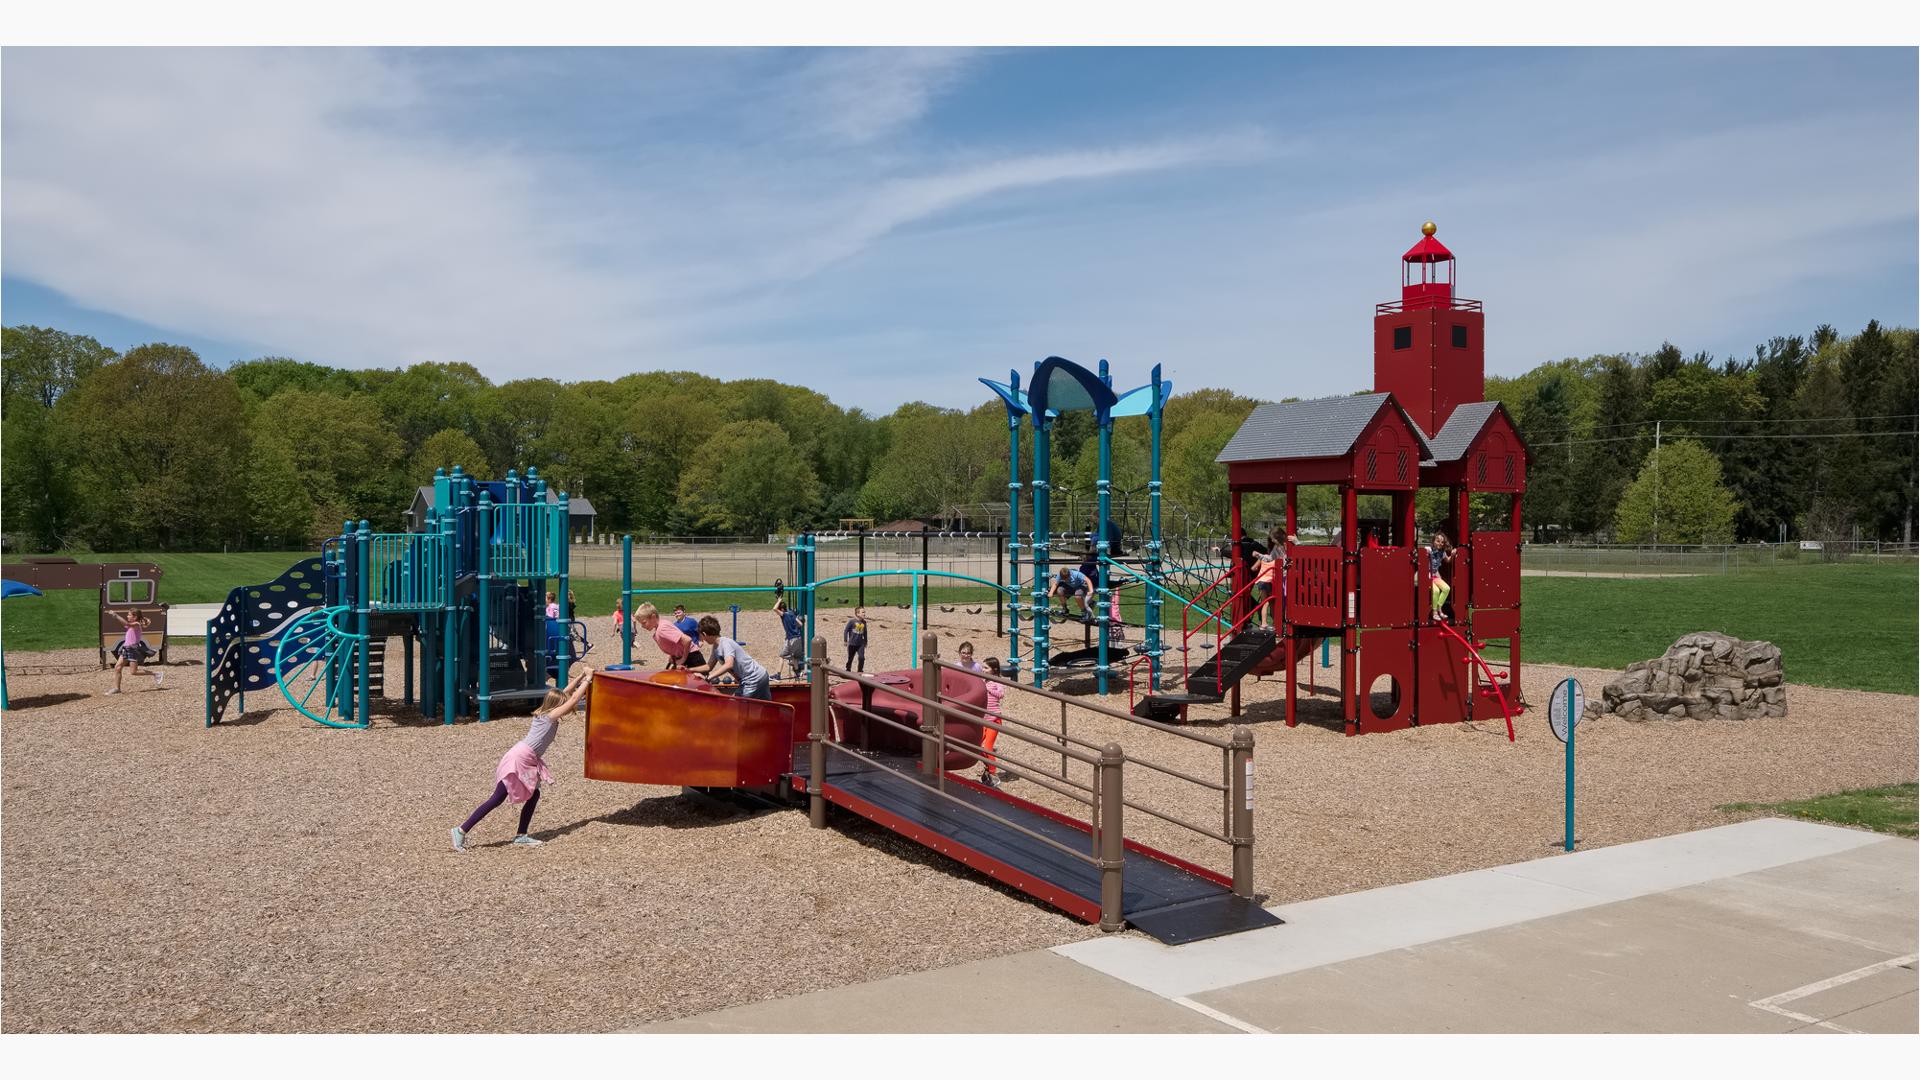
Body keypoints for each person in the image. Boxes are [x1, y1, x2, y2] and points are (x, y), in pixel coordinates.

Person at [452, 664, 593, 851]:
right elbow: (573, 698)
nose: (564, 704)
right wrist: (588, 680)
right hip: (520, 759)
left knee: (534, 794)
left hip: (524, 756)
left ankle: (521, 835)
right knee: (498, 797)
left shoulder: (545, 711)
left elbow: (565, 693)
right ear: (557, 706)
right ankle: (461, 830)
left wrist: (581, 675)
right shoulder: (550, 716)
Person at [690, 615, 771, 700]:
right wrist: (689, 669)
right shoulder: (716, 646)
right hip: (759, 675)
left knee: (734, 705)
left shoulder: (725, 643)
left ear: (704, 634)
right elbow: (708, 666)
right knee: (766, 707)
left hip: (753, 679)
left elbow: (729, 664)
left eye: (701, 636)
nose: (702, 639)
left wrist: (708, 678)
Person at [106, 608, 163, 694]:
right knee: (117, 667)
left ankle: (156, 674)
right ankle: (117, 688)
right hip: (126, 649)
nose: (127, 616)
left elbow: (127, 624)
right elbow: (126, 624)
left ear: (135, 617)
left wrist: (116, 615)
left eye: (129, 615)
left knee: (134, 672)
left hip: (132, 650)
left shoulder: (136, 624)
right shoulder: (133, 624)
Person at [635, 602, 703, 669]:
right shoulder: (662, 625)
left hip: (692, 658)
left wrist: (683, 659)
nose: (642, 626)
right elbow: (674, 643)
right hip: (687, 656)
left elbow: (687, 640)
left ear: (653, 617)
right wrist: (672, 654)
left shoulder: (662, 629)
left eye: (644, 623)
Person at [978, 656, 1009, 787]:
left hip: (994, 719)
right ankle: (988, 766)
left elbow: (1001, 695)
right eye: (983, 667)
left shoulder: (997, 682)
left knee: (987, 746)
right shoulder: (983, 680)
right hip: (983, 719)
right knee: (976, 746)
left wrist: (988, 689)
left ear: (994, 669)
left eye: (986, 668)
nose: (983, 670)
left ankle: (992, 771)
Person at [1429, 531, 1457, 623]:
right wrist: (1426, 550)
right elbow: (1423, 552)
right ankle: (1435, 612)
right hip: (1427, 576)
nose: (1440, 543)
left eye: (1442, 542)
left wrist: (1452, 554)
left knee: (1446, 588)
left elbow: (1448, 560)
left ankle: (1439, 609)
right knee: (1436, 591)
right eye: (1438, 541)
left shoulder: (1442, 552)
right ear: (1433, 541)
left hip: (1435, 576)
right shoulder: (1429, 550)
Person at [774, 599, 805, 678]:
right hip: (798, 638)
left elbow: (774, 609)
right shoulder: (792, 614)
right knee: (794, 656)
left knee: (782, 656)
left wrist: (779, 600)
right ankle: (797, 673)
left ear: (782, 609)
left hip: (790, 639)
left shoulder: (784, 615)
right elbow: (801, 624)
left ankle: (778, 675)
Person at [843, 607, 869, 672]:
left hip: (860, 644)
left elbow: (865, 632)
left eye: (864, 612)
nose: (864, 614)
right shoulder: (852, 622)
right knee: (850, 658)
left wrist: (865, 641)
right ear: (857, 614)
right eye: (862, 612)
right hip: (852, 643)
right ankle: (848, 669)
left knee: (861, 657)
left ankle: (860, 670)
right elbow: (846, 630)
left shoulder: (864, 622)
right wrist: (845, 640)